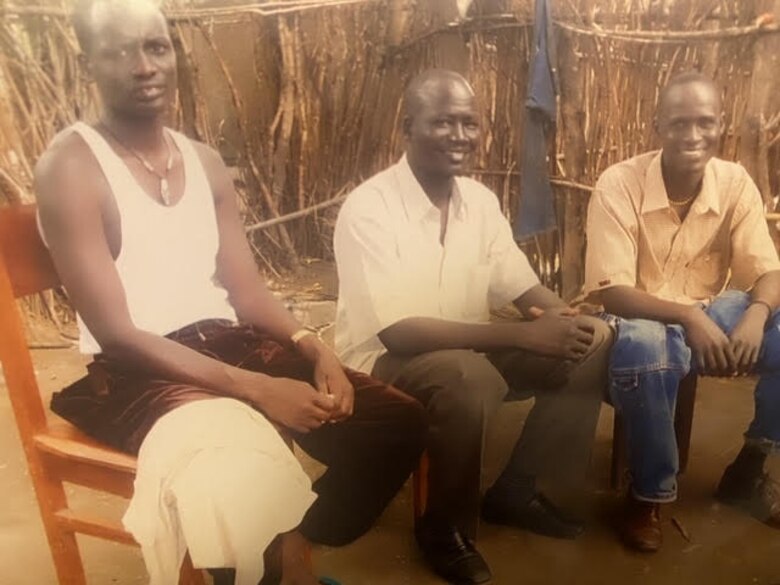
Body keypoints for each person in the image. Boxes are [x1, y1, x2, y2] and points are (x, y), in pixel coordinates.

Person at [36, 1, 426, 583]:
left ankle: (294, 537)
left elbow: (246, 291)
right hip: (136, 369)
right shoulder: (71, 166)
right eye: (120, 51)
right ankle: (274, 559)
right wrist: (259, 388)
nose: (144, 66)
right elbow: (117, 335)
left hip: (224, 342)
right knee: (236, 467)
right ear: (85, 61)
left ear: (174, 54)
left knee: (395, 423)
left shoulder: (205, 162)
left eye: (156, 47)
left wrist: (312, 347)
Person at [334, 69, 612, 585]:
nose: (460, 136)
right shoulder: (369, 209)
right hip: (380, 367)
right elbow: (397, 332)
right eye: (442, 122)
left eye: (469, 123)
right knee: (467, 378)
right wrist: (523, 335)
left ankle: (518, 488)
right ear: (407, 127)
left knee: (590, 343)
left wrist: (566, 319)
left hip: (467, 350)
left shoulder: (479, 203)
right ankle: (444, 529)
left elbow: (522, 288)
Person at [584, 71, 780, 553]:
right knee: (648, 345)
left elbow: (768, 271)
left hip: (714, 309)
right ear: (657, 126)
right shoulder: (619, 184)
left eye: (704, 123)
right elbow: (613, 294)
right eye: (678, 123)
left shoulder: (734, 182)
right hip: (637, 313)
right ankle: (648, 494)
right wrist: (691, 319)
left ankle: (750, 466)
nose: (692, 136)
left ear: (720, 126)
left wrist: (755, 314)